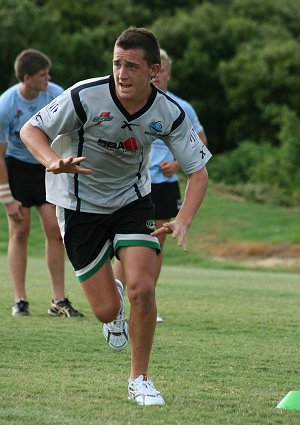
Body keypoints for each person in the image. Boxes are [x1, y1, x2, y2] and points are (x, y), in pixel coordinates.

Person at [20, 27, 211, 406]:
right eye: (117, 64)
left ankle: (139, 379)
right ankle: (114, 307)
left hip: (132, 201)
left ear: (154, 71)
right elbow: (32, 129)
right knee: (106, 309)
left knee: (143, 287)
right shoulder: (85, 95)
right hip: (79, 206)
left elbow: (199, 171)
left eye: (132, 66)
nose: (122, 74)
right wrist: (53, 161)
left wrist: (184, 220)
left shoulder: (168, 112)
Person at [114, 48, 208, 323]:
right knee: (127, 244)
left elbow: (199, 144)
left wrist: (177, 165)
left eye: (163, 71)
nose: (157, 78)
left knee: (155, 245)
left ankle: (146, 301)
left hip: (164, 184)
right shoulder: (129, 102)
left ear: (164, 72)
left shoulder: (181, 108)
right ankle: (119, 300)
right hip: (134, 184)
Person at [0, 49, 84, 318]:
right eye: (42, 74)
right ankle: (20, 300)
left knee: (55, 230)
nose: (49, 77)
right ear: (27, 78)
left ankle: (58, 300)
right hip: (17, 169)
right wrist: (7, 197)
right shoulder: (6, 104)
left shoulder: (56, 93)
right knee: (20, 231)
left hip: (47, 166)